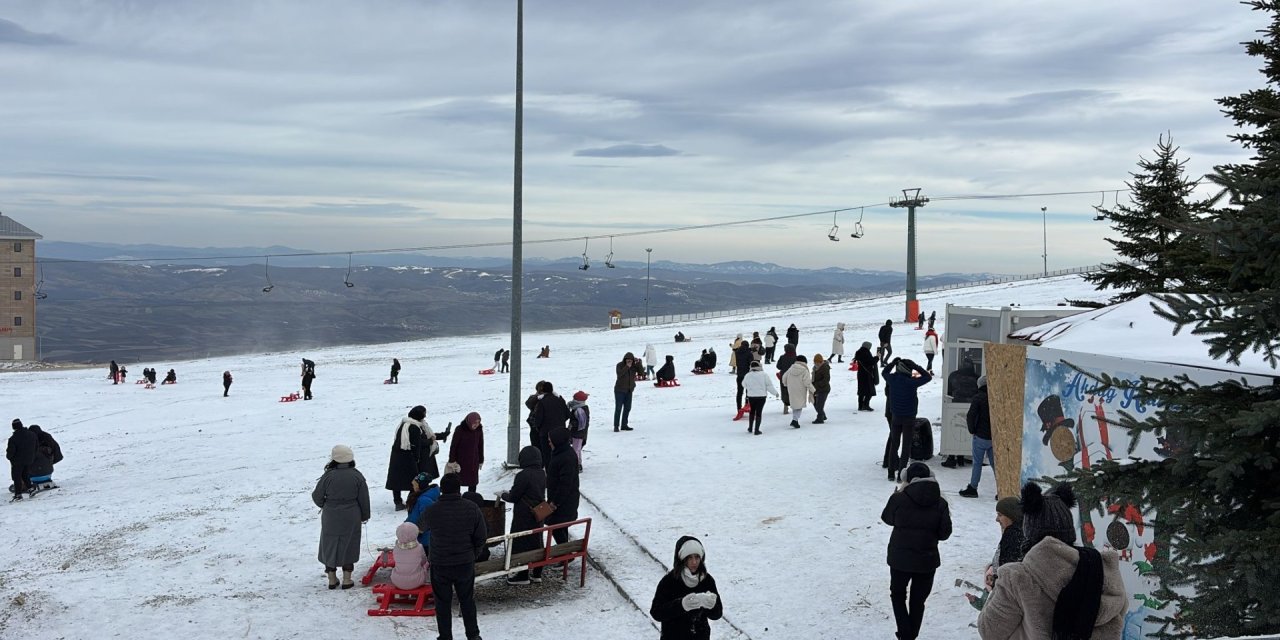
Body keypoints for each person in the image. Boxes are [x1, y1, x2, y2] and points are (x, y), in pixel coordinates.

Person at [977, 482, 1126, 639]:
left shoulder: (1017, 578)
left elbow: (989, 631)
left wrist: (995, 587)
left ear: (1029, 532)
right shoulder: (1101, 570)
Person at [881, 462, 952, 640]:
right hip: (927, 560)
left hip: (900, 559)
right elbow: (944, 534)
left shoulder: (899, 498)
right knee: (918, 601)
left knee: (897, 595)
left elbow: (887, 519)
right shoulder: (941, 503)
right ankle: (909, 636)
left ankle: (906, 635)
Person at [422, 473, 487, 640]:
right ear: (459, 489)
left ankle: (445, 636)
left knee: (442, 603)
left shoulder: (432, 510)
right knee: (467, 600)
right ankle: (473, 635)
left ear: (442, 490)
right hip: (464, 562)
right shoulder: (472, 508)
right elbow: (481, 537)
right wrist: (473, 554)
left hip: (440, 564)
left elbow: (421, 527)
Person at [311, 444, 371, 590]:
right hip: (351, 515)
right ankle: (347, 579)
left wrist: (326, 505)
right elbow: (364, 498)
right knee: (349, 543)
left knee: (329, 544)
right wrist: (364, 515)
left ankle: (331, 578)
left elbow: (317, 496)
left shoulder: (328, 476)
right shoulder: (357, 476)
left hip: (331, 515)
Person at [649, 536, 723, 640]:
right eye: (689, 558)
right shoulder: (669, 581)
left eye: (697, 557)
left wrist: (711, 606)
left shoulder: (707, 580)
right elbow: (656, 612)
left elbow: (717, 614)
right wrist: (681, 605)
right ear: (682, 559)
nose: (694, 562)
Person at [499, 445, 547, 584]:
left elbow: (514, 496)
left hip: (524, 515)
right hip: (538, 512)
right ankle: (537, 573)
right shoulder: (541, 473)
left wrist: (503, 495)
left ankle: (523, 575)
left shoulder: (523, 475)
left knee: (521, 542)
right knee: (537, 541)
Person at [883, 358, 932, 481]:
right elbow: (928, 377)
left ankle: (890, 473)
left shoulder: (892, 379)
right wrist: (916, 366)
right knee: (906, 446)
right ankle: (901, 474)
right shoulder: (911, 382)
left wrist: (892, 363)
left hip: (895, 417)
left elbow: (884, 372)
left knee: (894, 444)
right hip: (909, 418)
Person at [387, 405, 430, 510]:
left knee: (396, 480)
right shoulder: (414, 427)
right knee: (413, 480)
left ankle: (397, 502)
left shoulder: (403, 424)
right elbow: (417, 444)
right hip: (408, 457)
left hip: (396, 456)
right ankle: (410, 501)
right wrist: (417, 458)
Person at [544, 427, 580, 544]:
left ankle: (566, 554)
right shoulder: (561, 453)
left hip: (564, 502)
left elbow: (565, 483)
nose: (548, 442)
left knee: (556, 526)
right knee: (559, 527)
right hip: (563, 500)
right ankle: (565, 553)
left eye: (550, 440)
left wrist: (555, 502)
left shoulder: (565, 457)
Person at [960, 375, 993, 498]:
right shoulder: (995, 396)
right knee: (995, 465)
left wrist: (972, 430)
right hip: (994, 437)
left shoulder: (978, 398)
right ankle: (1002, 490)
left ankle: (973, 488)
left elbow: (970, 416)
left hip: (980, 436)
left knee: (977, 463)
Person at [531, 382, 570, 468]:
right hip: (560, 432)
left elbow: (538, 419)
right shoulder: (560, 400)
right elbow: (567, 414)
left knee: (547, 455)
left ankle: (550, 474)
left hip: (545, 433)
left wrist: (539, 428)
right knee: (559, 453)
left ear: (543, 391)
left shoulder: (542, 402)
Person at [447, 412, 484, 493]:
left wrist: (481, 460)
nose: (476, 425)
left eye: (478, 422)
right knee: (458, 481)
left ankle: (471, 498)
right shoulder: (460, 429)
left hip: (473, 461)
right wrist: (452, 460)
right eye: (474, 422)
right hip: (461, 461)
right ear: (469, 421)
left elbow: (480, 445)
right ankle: (457, 499)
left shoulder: (479, 430)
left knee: (473, 482)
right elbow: (454, 446)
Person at [406, 472, 442, 550]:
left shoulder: (424, 500)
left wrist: (412, 533)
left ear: (420, 486)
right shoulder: (420, 496)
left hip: (425, 541)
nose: (412, 487)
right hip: (418, 538)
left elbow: (426, 521)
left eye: (414, 485)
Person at [390, 521, 430, 590]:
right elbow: (423, 561)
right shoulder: (419, 548)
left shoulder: (396, 548)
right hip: (417, 581)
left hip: (397, 581)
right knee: (427, 564)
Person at [742, 361, 778, 435]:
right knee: (759, 412)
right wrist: (775, 393)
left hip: (751, 396)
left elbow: (743, 384)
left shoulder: (748, 375)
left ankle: (750, 427)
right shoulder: (764, 375)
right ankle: (757, 430)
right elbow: (769, 386)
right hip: (761, 397)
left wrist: (750, 388)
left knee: (752, 411)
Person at [7, 419, 38, 500]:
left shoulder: (13, 439)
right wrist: (32, 456)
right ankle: (31, 489)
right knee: (25, 475)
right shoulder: (32, 434)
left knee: (17, 477)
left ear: (14, 427)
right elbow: (36, 447)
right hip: (29, 459)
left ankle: (18, 495)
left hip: (17, 462)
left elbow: (10, 452)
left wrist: (9, 457)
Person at [781, 355, 815, 429]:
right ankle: (795, 420)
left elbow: (784, 377)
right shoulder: (805, 370)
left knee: (795, 404)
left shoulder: (790, 369)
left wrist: (786, 384)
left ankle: (795, 420)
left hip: (791, 389)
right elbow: (807, 383)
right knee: (799, 405)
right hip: (801, 390)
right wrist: (813, 390)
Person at [27, 425, 61, 489]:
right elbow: (58, 454)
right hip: (48, 473)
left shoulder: (28, 442)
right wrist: (49, 462)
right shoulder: (47, 438)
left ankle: (25, 484)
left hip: (33, 475)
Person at [567, 391, 590, 472]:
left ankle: (576, 465)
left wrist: (572, 425)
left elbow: (581, 423)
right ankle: (578, 464)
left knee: (576, 450)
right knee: (577, 449)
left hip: (578, 433)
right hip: (577, 433)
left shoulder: (579, 410)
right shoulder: (577, 408)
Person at [854, 341, 880, 412]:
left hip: (860, 374)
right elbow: (870, 362)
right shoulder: (866, 353)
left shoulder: (859, 352)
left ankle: (860, 406)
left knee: (861, 390)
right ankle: (866, 405)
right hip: (867, 374)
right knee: (870, 390)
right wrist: (877, 357)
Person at [614, 352, 636, 432]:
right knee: (618, 408)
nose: (629, 361)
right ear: (625, 359)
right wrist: (627, 367)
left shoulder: (634, 366)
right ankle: (616, 426)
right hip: (619, 390)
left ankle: (624, 425)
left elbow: (641, 372)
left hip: (629, 390)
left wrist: (639, 363)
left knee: (627, 408)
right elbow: (619, 374)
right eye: (628, 360)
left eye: (630, 360)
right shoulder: (619, 365)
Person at [775, 343, 797, 414]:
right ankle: (795, 406)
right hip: (793, 376)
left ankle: (785, 406)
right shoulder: (796, 358)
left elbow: (778, 366)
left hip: (784, 376)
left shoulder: (782, 357)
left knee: (784, 391)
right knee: (793, 391)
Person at [810, 354, 831, 424]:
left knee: (819, 405)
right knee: (815, 402)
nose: (816, 364)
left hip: (824, 389)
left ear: (820, 361)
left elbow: (826, 379)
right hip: (816, 389)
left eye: (817, 362)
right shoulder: (815, 368)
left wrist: (817, 385)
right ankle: (823, 415)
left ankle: (820, 419)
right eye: (815, 362)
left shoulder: (825, 368)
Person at [733, 340, 753, 408]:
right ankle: (747, 404)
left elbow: (742, 351)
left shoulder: (737, 352)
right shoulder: (749, 353)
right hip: (747, 374)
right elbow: (751, 363)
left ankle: (739, 408)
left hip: (739, 374)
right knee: (748, 391)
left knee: (739, 392)